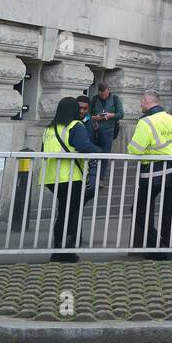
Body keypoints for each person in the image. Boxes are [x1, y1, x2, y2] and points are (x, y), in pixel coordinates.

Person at [40, 96, 101, 262]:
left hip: (52, 178)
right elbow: (84, 146)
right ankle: (66, 252)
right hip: (70, 177)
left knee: (64, 213)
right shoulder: (76, 126)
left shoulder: (48, 129)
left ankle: (59, 250)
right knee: (71, 214)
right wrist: (99, 152)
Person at [127, 88, 172, 259]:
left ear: (148, 101)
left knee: (140, 210)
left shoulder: (146, 122)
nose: (140, 104)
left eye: (141, 101)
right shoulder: (171, 118)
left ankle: (155, 247)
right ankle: (166, 248)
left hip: (153, 171)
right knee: (168, 211)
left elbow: (135, 149)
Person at [89, 80, 123, 188]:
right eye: (101, 95)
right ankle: (91, 177)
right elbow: (86, 115)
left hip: (108, 131)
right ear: (98, 92)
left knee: (105, 155)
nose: (104, 97)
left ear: (109, 90)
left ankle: (100, 179)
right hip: (95, 130)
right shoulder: (94, 99)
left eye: (105, 94)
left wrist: (111, 115)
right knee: (93, 154)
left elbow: (121, 114)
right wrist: (95, 117)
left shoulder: (115, 99)